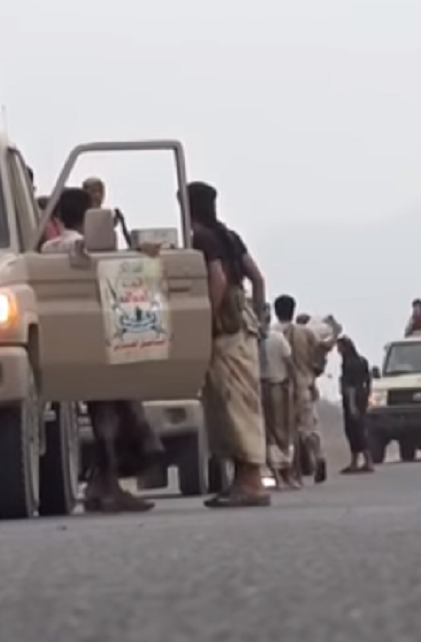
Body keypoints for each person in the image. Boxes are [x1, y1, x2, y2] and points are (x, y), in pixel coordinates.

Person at [41, 188, 161, 511]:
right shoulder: (83, 247)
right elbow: (112, 267)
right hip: (102, 337)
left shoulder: (48, 248)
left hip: (70, 339)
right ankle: (109, 484)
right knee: (111, 409)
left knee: (102, 409)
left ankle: (101, 484)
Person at [187, 181, 270, 508]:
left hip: (226, 331)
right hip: (244, 325)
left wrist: (205, 320)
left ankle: (250, 482)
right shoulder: (230, 237)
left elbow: (218, 278)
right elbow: (257, 278)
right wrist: (259, 317)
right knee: (235, 403)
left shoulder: (202, 238)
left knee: (234, 405)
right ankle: (241, 480)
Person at [273, 294, 336, 485]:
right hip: (304, 385)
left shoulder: (272, 333)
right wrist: (335, 332)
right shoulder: (306, 332)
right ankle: (319, 456)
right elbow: (323, 347)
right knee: (309, 427)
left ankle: (290, 469)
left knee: (283, 430)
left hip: (280, 386)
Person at [261, 305, 297, 488]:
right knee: (284, 430)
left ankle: (279, 475)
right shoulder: (277, 338)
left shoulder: (256, 340)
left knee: (271, 433)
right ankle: (285, 474)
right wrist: (294, 384)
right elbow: (289, 361)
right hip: (278, 386)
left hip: (263, 387)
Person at [337, 337, 374, 473]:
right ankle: (357, 461)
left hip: (352, 397)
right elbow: (368, 379)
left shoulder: (348, 364)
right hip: (362, 395)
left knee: (354, 430)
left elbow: (350, 386)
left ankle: (366, 461)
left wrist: (352, 405)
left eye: (340, 347)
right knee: (359, 428)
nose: (338, 350)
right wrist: (367, 394)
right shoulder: (362, 361)